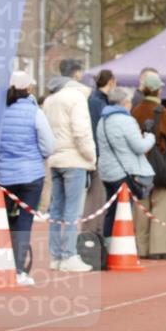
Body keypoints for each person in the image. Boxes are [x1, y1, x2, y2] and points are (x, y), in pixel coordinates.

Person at [0, 70, 56, 285]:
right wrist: (37, 155)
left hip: (4, 174)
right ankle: (19, 271)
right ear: (29, 88)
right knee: (24, 223)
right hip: (31, 175)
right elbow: (49, 145)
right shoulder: (35, 112)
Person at [43, 58, 96, 272]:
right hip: (74, 159)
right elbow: (81, 131)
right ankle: (69, 255)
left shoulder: (50, 99)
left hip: (55, 158)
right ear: (77, 74)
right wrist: (91, 156)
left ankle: (56, 256)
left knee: (56, 210)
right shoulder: (77, 97)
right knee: (73, 211)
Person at [96, 86, 155, 250]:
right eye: (129, 101)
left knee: (112, 211)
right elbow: (140, 147)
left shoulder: (102, 120)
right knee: (124, 212)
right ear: (125, 102)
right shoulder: (126, 121)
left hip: (107, 171)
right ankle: (122, 249)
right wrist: (150, 137)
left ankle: (108, 247)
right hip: (123, 171)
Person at [131, 72, 166, 259]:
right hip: (160, 165)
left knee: (141, 207)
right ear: (158, 90)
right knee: (163, 205)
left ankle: (141, 248)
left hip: (140, 163)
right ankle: (162, 248)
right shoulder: (160, 111)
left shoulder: (135, 110)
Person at [83, 69, 116, 235]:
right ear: (111, 81)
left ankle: (95, 232)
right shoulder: (97, 102)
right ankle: (91, 234)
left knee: (99, 196)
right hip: (99, 155)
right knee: (96, 196)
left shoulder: (98, 100)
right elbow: (98, 129)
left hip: (99, 154)